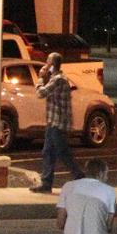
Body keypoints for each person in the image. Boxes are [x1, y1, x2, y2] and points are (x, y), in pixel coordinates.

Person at [32, 52, 84, 193]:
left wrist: (40, 78)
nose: (45, 65)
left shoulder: (59, 80)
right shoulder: (55, 78)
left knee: (62, 152)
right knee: (48, 151)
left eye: (48, 62)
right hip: (52, 121)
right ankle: (46, 183)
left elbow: (41, 93)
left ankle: (80, 176)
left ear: (53, 65)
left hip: (59, 122)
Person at [55, 158, 116, 234]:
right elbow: (108, 227)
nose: (107, 178)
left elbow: (60, 223)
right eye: (106, 174)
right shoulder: (110, 190)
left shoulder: (67, 186)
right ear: (100, 174)